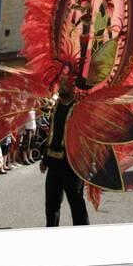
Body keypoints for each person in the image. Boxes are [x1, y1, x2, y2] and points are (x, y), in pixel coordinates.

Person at [39, 77, 89, 227]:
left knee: (77, 205)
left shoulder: (80, 108)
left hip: (72, 165)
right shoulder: (56, 106)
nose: (61, 86)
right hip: (54, 164)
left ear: (73, 86)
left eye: (65, 83)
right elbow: (52, 135)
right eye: (60, 83)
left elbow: (86, 138)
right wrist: (45, 159)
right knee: (51, 205)